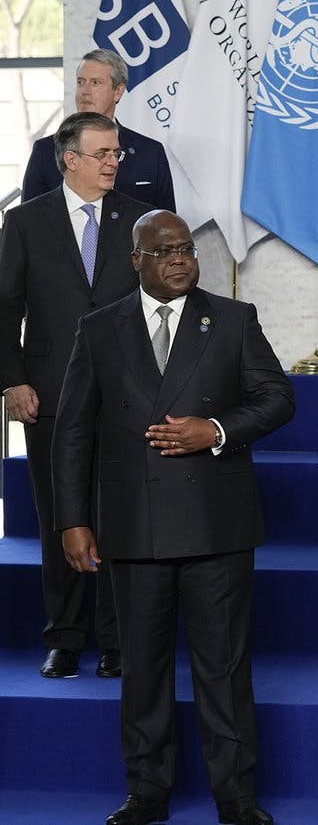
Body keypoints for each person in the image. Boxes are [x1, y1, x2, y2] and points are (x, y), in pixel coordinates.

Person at [52, 210, 295, 825]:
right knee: (142, 668)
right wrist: (73, 521)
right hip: (133, 526)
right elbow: (73, 431)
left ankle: (236, 796)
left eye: (186, 248)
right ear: (137, 259)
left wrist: (212, 430)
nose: (181, 259)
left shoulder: (233, 318)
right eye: (164, 252)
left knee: (225, 668)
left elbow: (277, 399)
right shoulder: (99, 329)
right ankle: (147, 792)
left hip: (217, 525)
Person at [0, 111, 150, 679]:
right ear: (70, 159)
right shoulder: (25, 223)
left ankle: (115, 640)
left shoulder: (141, 222)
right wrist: (12, 381)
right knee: (59, 518)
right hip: (48, 398)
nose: (114, 162)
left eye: (117, 154)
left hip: (123, 401)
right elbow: (3, 309)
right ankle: (64, 637)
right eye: (103, 154)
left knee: (118, 520)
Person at [22, 49, 175, 211]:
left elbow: (167, 226)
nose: (85, 91)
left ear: (118, 91)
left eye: (96, 83)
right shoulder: (46, 150)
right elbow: (28, 223)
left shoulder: (150, 152)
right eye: (81, 82)